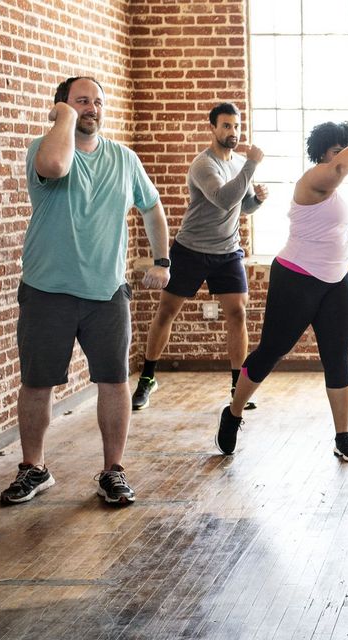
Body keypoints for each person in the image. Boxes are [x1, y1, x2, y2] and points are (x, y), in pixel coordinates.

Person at [1, 76, 170, 507]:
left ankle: (113, 470)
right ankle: (34, 468)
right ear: (61, 107)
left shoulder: (124, 158)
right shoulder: (46, 149)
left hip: (107, 292)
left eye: (97, 101)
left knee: (113, 382)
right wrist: (65, 119)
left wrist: (162, 259)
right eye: (81, 102)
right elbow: (57, 167)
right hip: (46, 290)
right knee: (38, 384)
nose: (92, 107)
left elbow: (151, 206)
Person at [214, 121, 348, 462]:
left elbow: (338, 226)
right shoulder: (314, 179)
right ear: (322, 153)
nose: (341, 156)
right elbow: (341, 167)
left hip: (336, 280)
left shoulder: (334, 191)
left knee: (337, 358)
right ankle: (234, 413)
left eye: (346, 148)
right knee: (271, 351)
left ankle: (343, 436)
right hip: (297, 277)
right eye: (336, 149)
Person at [132, 103, 268, 412]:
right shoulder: (203, 165)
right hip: (191, 249)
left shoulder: (237, 163)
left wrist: (257, 200)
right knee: (167, 312)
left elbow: (240, 207)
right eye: (226, 126)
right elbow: (223, 199)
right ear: (213, 128)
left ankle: (238, 385)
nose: (233, 132)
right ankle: (147, 379)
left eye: (236, 126)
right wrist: (252, 165)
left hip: (228, 252)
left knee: (238, 314)